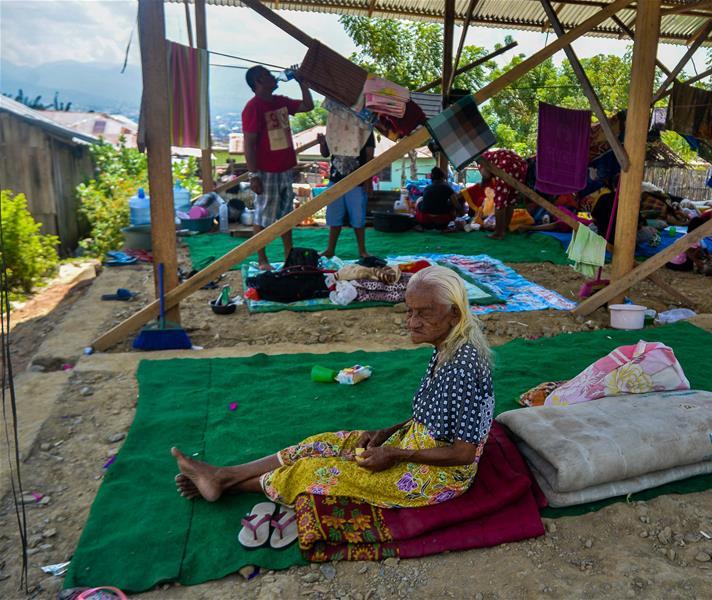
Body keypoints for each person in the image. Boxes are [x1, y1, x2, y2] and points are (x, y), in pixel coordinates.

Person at [171, 266, 495, 511]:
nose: (412, 321)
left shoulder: (463, 365)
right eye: (410, 311)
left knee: (317, 470)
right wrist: (387, 432)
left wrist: (396, 453)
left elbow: (462, 453)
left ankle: (225, 483)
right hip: (417, 443)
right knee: (324, 443)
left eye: (424, 313)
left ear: (454, 313)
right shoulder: (449, 345)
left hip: (439, 476)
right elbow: (436, 418)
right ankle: (223, 475)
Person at [242, 65, 314, 271]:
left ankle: (288, 256)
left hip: (285, 169)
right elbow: (249, 143)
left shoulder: (280, 101)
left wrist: (302, 82)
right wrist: (253, 175)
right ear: (258, 82)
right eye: (267, 75)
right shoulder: (253, 107)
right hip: (266, 171)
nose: (274, 77)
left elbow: (308, 106)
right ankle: (262, 259)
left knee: (285, 216)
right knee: (263, 216)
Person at [318, 131, 375, 258]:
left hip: (357, 182)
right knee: (334, 216)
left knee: (358, 218)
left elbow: (369, 156)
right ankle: (330, 249)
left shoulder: (365, 128)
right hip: (335, 180)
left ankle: (362, 250)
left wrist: (368, 181)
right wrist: (322, 143)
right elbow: (326, 153)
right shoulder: (334, 126)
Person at [478, 149, 527, 240]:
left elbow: (486, 175)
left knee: (500, 201)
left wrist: (484, 181)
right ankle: (504, 229)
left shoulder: (482, 159)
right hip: (521, 166)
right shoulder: (493, 155)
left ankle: (498, 233)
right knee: (510, 201)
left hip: (507, 165)